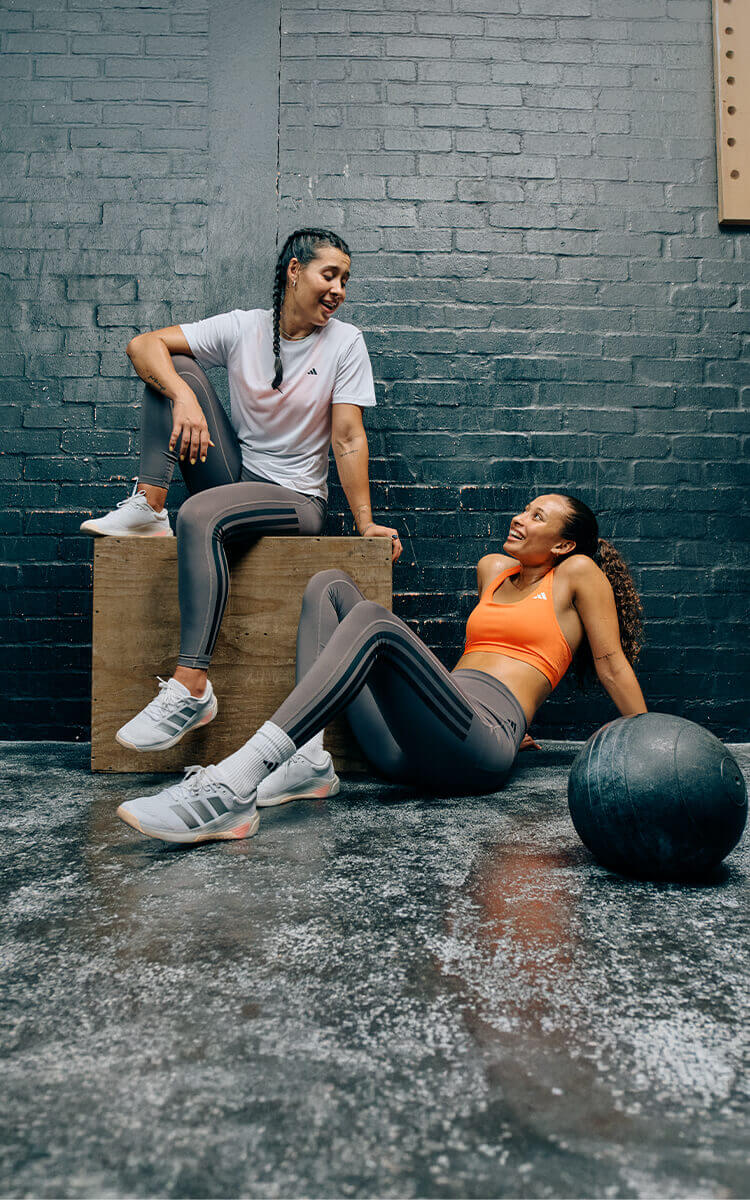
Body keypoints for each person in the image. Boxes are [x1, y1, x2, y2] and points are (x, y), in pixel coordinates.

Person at [116, 492, 647, 844]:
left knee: (373, 620)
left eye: (538, 517)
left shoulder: (578, 572)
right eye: (524, 509)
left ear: (564, 543)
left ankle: (233, 787)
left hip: (480, 741)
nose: (519, 517)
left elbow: (610, 663)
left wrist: (644, 737)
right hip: (415, 744)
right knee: (331, 586)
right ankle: (308, 761)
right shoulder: (495, 570)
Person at [80, 228, 402, 769]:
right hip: (238, 475)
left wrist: (366, 523)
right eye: (330, 274)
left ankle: (191, 686)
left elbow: (348, 439)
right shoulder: (243, 327)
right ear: (295, 270)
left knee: (201, 513)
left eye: (346, 279)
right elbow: (143, 345)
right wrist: (185, 396)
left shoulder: (345, 342)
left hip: (297, 499)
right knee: (174, 367)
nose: (340, 289)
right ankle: (149, 505)